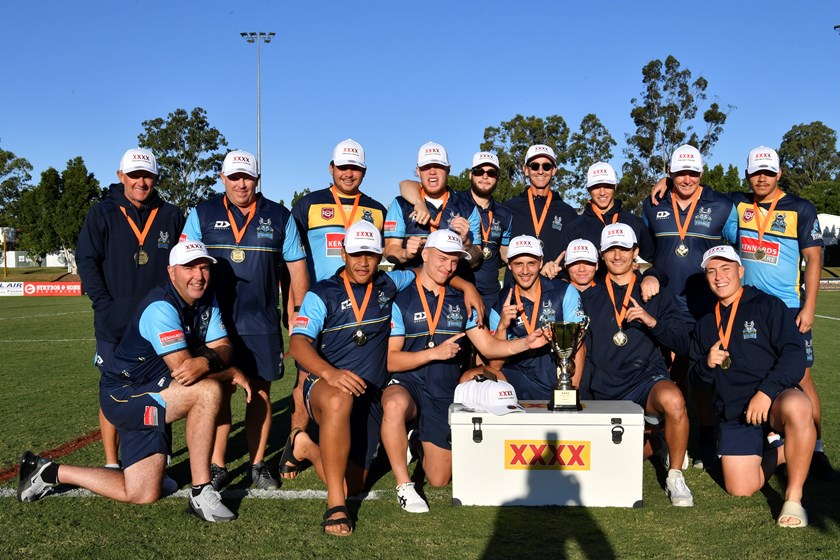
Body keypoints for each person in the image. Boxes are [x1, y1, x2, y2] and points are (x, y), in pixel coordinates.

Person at [18, 240, 250, 523]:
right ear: (172, 271)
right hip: (125, 396)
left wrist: (207, 361)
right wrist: (228, 372)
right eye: (189, 267)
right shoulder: (160, 308)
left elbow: (223, 346)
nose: (198, 275)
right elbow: (184, 374)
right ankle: (202, 491)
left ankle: (47, 471)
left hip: (154, 392)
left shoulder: (206, 299)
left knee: (143, 494)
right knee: (207, 390)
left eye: (203, 267)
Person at [382, 229, 548, 513]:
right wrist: (434, 353)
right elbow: (391, 361)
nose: (447, 267)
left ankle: (417, 440)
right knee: (395, 404)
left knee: (438, 479)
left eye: (453, 262)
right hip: (407, 382)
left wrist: (524, 342)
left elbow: (489, 346)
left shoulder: (462, 301)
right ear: (425, 254)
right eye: (441, 259)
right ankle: (404, 486)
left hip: (443, 391)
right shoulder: (401, 296)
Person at [181, 150, 308, 490]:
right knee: (217, 391)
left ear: (257, 179)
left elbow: (297, 268)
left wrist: (299, 312)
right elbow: (182, 262)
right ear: (222, 178)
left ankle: (257, 463)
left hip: (262, 321)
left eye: (247, 177)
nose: (241, 183)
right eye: (234, 177)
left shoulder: (280, 216)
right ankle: (218, 464)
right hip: (212, 323)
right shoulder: (202, 214)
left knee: (260, 394)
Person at [286, 220, 418, 535]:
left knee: (353, 483)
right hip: (326, 387)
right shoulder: (323, 293)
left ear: (380, 254)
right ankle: (336, 505)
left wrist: (467, 287)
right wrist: (331, 373)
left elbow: (427, 272)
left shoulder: (389, 283)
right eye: (356, 254)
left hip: (369, 394)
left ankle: (303, 446)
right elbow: (298, 343)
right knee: (338, 399)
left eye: (370, 255)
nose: (363, 262)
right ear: (343, 252)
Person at [722, 146, 833, 480]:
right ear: (747, 174)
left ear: (779, 174)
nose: (762, 178)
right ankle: (770, 436)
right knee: (753, 370)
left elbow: (814, 259)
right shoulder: (737, 206)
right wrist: (662, 184)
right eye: (757, 172)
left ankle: (816, 448)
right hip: (749, 309)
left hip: (788, 309)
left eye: (768, 172)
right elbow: (698, 194)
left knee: (802, 376)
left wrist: (810, 306)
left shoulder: (800, 207)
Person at [76, 147, 184, 483]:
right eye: (134, 175)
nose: (141, 181)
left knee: (161, 388)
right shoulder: (103, 212)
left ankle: (157, 461)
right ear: (121, 176)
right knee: (111, 388)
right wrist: (104, 306)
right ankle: (111, 462)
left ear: (155, 178)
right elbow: (87, 261)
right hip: (115, 322)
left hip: (159, 323)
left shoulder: (170, 214)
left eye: (147, 175)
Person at [690, 245, 815, 527]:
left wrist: (766, 392)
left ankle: (793, 499)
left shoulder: (768, 305)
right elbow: (696, 382)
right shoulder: (705, 324)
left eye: (725, 269)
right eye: (712, 271)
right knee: (741, 489)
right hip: (736, 413)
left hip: (773, 401)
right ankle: (784, 450)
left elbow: (795, 356)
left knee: (798, 405)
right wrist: (706, 364)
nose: (719, 276)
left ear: (740, 271)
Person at [286, 139, 388, 470]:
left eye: (355, 168)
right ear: (331, 168)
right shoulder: (308, 204)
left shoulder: (377, 210)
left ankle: (342, 441)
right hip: (319, 305)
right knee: (305, 377)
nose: (348, 173)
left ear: (364, 172)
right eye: (342, 167)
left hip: (359, 306)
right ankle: (295, 444)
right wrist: (293, 305)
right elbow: (293, 257)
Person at [581, 224, 694, 506]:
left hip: (645, 382)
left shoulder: (656, 294)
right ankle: (657, 443)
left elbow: (684, 344)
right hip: (605, 386)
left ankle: (675, 475)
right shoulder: (589, 297)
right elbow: (585, 352)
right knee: (604, 461)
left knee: (674, 400)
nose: (617, 255)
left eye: (624, 248)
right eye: (610, 249)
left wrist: (651, 322)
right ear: (601, 254)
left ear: (636, 252)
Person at [642, 144, 737, 469]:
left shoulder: (723, 205)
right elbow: (649, 253)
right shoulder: (653, 204)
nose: (687, 178)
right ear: (669, 173)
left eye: (692, 172)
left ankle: (712, 437)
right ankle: (671, 436)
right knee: (671, 371)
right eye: (680, 172)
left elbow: (741, 248)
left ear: (701, 173)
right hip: (667, 306)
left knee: (710, 374)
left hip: (707, 306)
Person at [399, 151, 513, 311]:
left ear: (498, 177)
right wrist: (419, 202)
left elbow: (505, 254)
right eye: (479, 171)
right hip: (457, 287)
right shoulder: (457, 201)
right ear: (470, 174)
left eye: (491, 173)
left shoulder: (505, 213)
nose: (485, 177)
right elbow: (406, 184)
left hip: (490, 293)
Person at [487, 235, 585, 400]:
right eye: (518, 264)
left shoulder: (564, 291)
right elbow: (495, 365)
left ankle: (568, 396)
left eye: (531, 263)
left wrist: (570, 395)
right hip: (517, 375)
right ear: (509, 265)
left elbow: (578, 346)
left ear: (540, 262)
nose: (525, 271)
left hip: (555, 372)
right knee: (471, 378)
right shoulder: (500, 303)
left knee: (577, 340)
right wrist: (502, 326)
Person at [384, 141, 481, 269]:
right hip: (411, 285)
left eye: (438, 166)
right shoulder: (400, 204)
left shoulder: (468, 208)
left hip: (451, 286)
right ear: (418, 171)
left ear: (448, 169)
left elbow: (476, 261)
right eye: (426, 167)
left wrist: (466, 243)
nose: (432, 171)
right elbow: (389, 250)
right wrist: (405, 253)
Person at [560, 162, 655, 269]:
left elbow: (651, 263)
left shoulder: (636, 223)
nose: (602, 192)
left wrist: (641, 269)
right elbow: (564, 268)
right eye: (596, 187)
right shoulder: (574, 228)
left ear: (615, 186)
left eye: (607, 186)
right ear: (588, 189)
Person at [504, 144, 578, 280]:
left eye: (546, 166)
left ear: (554, 170)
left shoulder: (568, 212)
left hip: (553, 290)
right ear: (526, 170)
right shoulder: (508, 209)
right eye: (534, 166)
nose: (540, 171)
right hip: (516, 292)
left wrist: (558, 267)